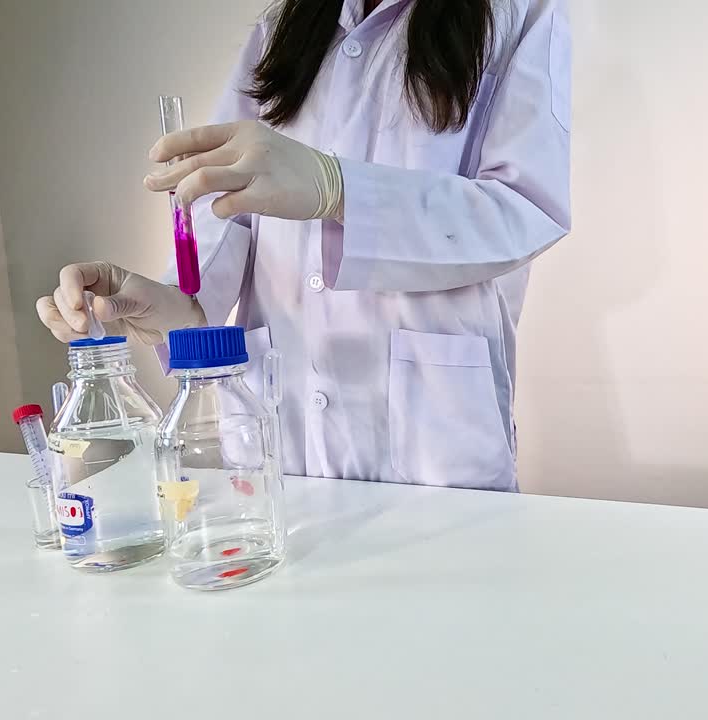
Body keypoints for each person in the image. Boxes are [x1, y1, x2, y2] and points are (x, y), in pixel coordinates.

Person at [36, 0, 570, 491]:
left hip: (436, 447)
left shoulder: (517, 12)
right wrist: (173, 301)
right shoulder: (282, 31)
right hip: (282, 443)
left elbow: (525, 207)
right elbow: (228, 204)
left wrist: (339, 189)